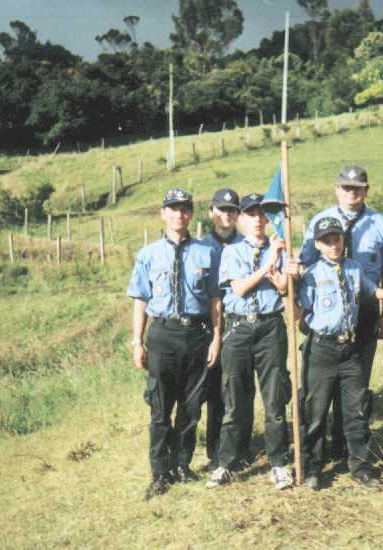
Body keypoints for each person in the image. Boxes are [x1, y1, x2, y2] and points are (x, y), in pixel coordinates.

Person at [127, 188, 222, 500]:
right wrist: (137, 342)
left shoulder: (206, 253)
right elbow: (140, 300)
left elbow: (214, 300)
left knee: (191, 407)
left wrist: (216, 338)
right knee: (159, 407)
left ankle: (183, 464)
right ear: (163, 213)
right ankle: (159, 472)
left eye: (184, 209)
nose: (179, 214)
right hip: (163, 335)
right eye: (173, 208)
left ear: (191, 214)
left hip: (197, 335)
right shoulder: (148, 254)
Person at [299, 165, 383, 460]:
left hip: (365, 312)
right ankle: (320, 448)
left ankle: (345, 446)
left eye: (357, 188)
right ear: (336, 189)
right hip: (327, 314)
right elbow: (305, 264)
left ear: (366, 190)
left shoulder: (380, 223)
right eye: (346, 188)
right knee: (321, 386)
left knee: (355, 386)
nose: (351, 193)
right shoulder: (320, 220)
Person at [207, 193, 297, 490]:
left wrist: (282, 269)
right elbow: (241, 288)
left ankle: (279, 463)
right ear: (241, 219)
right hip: (240, 329)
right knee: (235, 400)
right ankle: (227, 463)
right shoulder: (231, 252)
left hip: (270, 327)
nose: (257, 220)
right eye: (250, 214)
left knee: (274, 400)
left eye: (262, 214)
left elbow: (284, 288)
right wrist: (268, 264)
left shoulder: (280, 248)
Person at [199, 188, 244, 469]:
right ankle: (215, 449)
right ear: (211, 212)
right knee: (215, 389)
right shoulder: (201, 247)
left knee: (240, 388)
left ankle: (240, 445)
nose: (226, 214)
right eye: (221, 209)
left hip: (240, 322)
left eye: (231, 209)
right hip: (211, 324)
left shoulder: (246, 244)